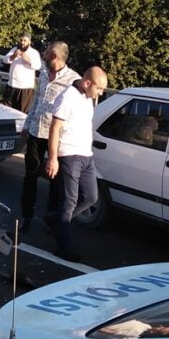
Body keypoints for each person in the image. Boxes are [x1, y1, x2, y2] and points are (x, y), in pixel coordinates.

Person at [45, 66, 108, 261]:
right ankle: (64, 247)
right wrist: (53, 158)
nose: (101, 93)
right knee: (69, 200)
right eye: (99, 88)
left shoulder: (88, 98)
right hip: (69, 155)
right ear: (88, 82)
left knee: (90, 197)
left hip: (86, 155)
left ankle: (56, 219)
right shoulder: (67, 97)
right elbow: (55, 128)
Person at [20, 41, 80, 231]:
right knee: (30, 176)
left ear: (54, 56)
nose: (43, 56)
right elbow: (37, 100)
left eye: (46, 53)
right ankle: (26, 216)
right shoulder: (44, 73)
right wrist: (26, 126)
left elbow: (77, 112)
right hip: (36, 132)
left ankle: (50, 219)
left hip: (57, 137)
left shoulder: (73, 80)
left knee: (55, 181)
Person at [3, 33, 42, 114]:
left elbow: (38, 66)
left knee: (21, 112)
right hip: (11, 86)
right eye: (21, 40)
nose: (22, 42)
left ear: (29, 42)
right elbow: (5, 59)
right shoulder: (14, 50)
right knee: (6, 111)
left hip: (25, 88)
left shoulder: (34, 52)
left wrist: (28, 60)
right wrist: (13, 56)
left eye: (25, 40)